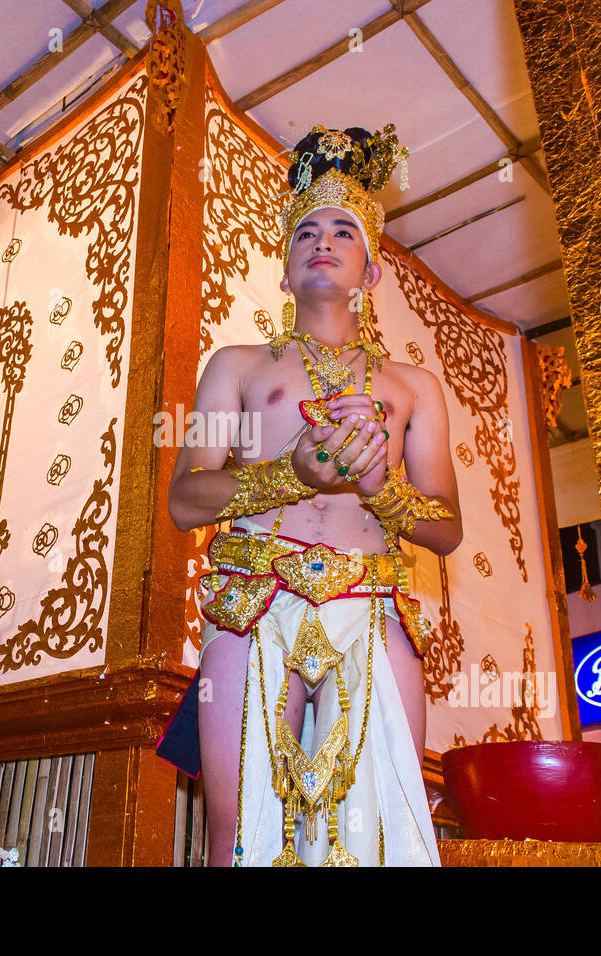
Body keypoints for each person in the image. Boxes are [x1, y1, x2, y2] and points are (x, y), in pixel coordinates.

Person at [163, 124, 462, 866]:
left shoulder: (414, 386)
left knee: (382, 824)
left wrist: (377, 487)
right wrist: (288, 474)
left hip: (373, 597)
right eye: (305, 232)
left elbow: (446, 527)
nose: (321, 240)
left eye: (342, 231)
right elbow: (186, 498)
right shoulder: (233, 365)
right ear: (286, 267)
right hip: (254, 590)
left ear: (372, 273)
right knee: (240, 826)